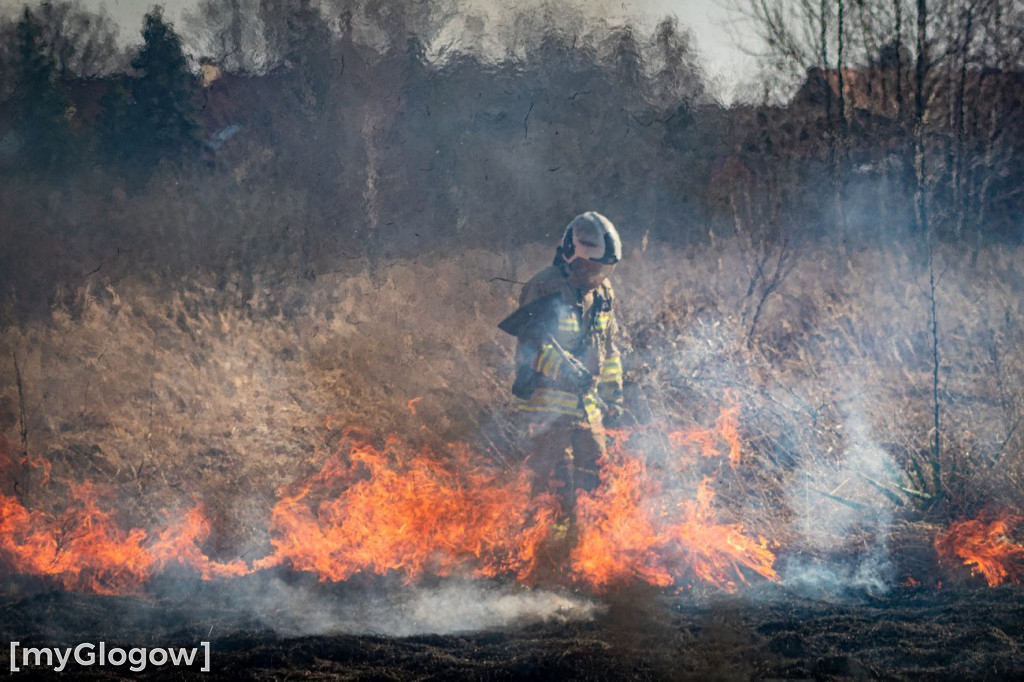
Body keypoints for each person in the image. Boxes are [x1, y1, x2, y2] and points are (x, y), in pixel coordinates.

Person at [509, 211, 625, 537]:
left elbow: (609, 348)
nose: (601, 274)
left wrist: (612, 394)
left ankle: (593, 555)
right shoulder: (543, 287)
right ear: (578, 259)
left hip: (587, 407)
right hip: (547, 410)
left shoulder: (602, 293)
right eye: (596, 266)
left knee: (599, 480)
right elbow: (530, 348)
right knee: (551, 488)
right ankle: (545, 555)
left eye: (606, 267)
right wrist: (564, 372)